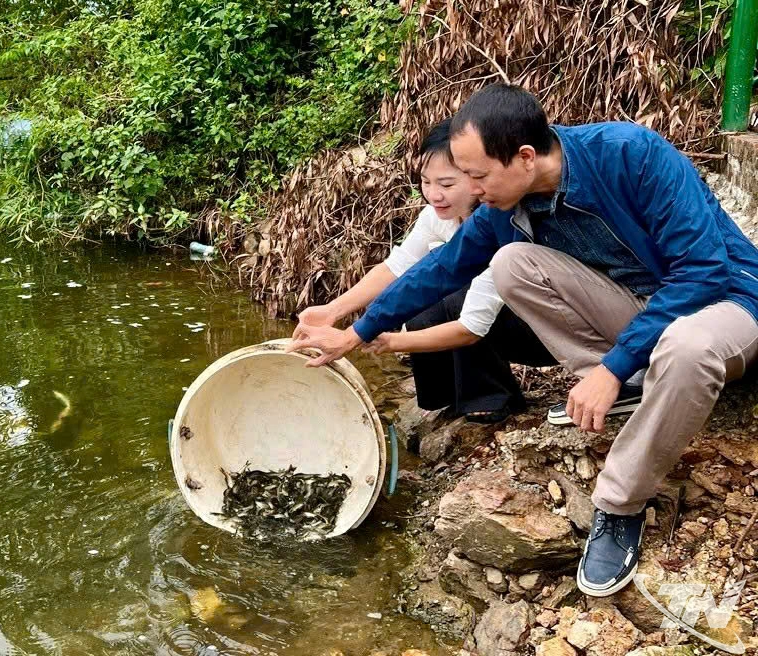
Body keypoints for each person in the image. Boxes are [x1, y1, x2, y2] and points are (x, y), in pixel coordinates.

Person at [287, 83, 758, 597]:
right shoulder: (506, 208)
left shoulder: (629, 154)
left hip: (725, 304)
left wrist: (612, 365)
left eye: (477, 175)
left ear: (525, 158)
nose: (470, 188)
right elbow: (439, 270)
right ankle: (634, 384)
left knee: (685, 346)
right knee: (512, 264)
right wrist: (354, 332)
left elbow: (701, 274)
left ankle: (620, 505)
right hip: (641, 310)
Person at [295, 120, 553, 423]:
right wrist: (332, 311)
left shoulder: (502, 221)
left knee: (457, 295)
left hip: (539, 332)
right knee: (422, 298)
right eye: (426, 182)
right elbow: (397, 267)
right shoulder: (436, 217)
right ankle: (445, 396)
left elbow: (472, 323)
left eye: (446, 184)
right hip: (488, 319)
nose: (434, 194)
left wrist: (382, 341)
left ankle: (492, 399)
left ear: (475, 179)